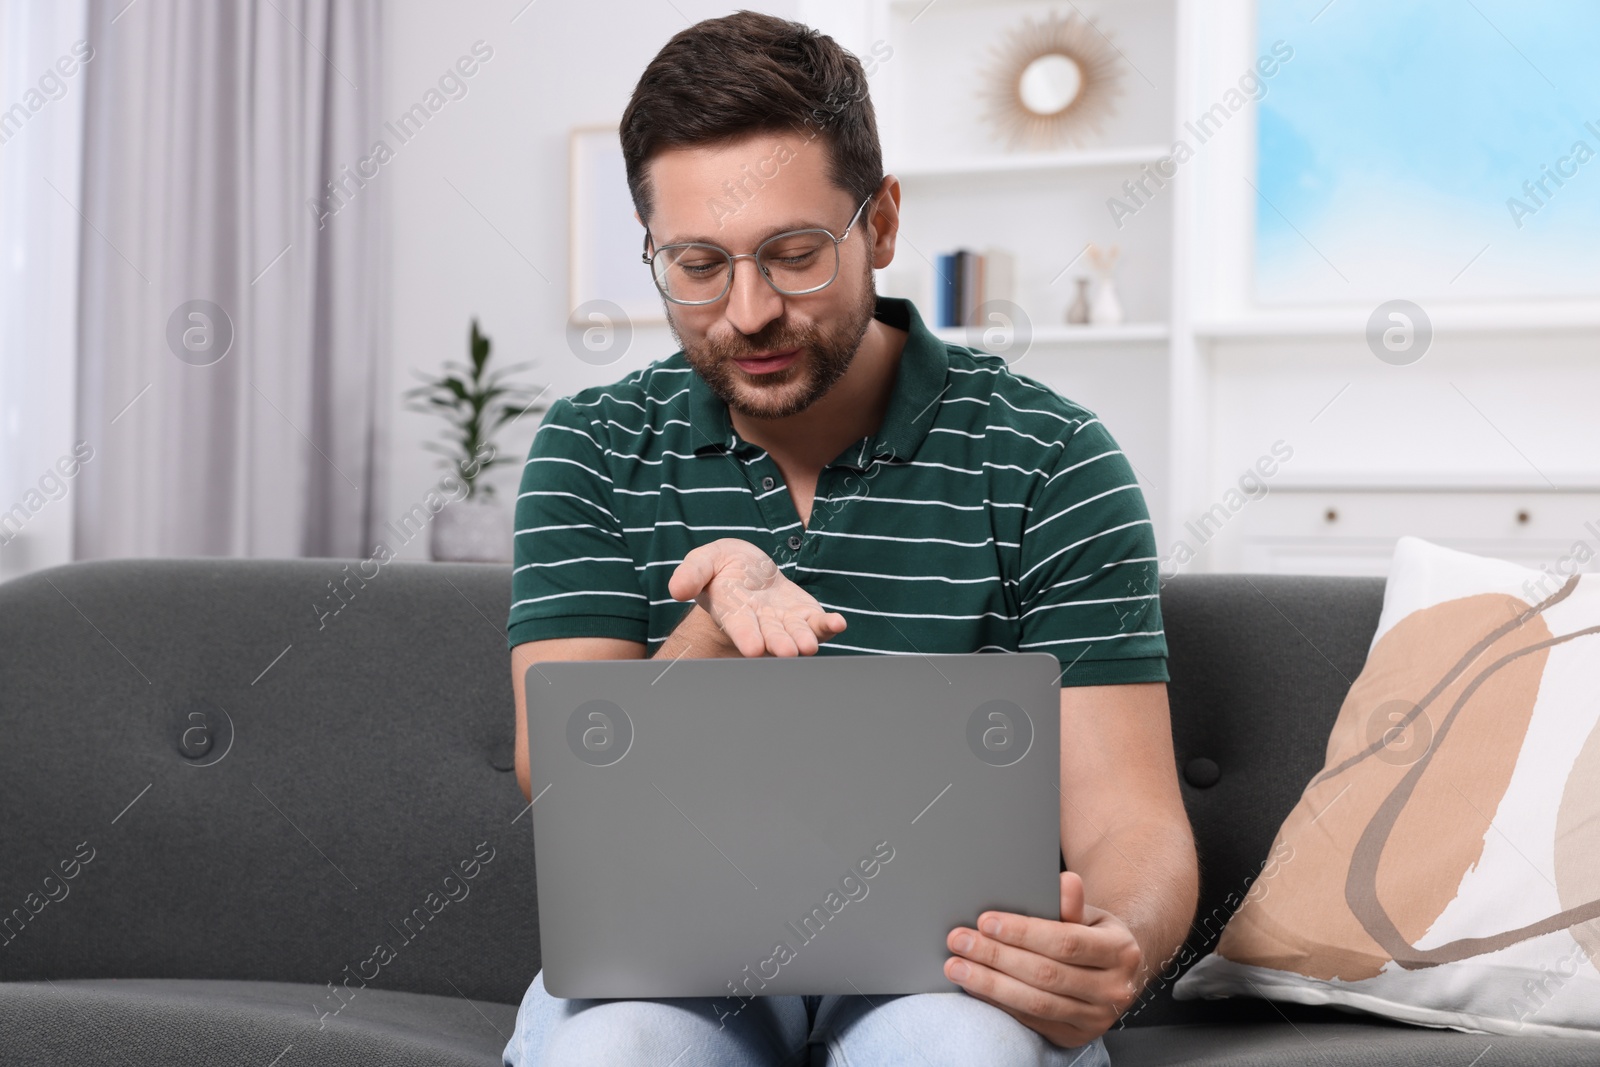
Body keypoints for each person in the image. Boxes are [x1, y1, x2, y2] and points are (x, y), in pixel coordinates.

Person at [503, 12, 1198, 1065]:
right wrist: (706, 635)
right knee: (619, 1052)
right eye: (697, 263)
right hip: (677, 959)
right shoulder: (592, 446)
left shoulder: (1050, 456)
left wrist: (1119, 941)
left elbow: (1130, 820)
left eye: (792, 254)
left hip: (952, 963)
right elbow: (555, 774)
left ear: (879, 225)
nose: (745, 311)